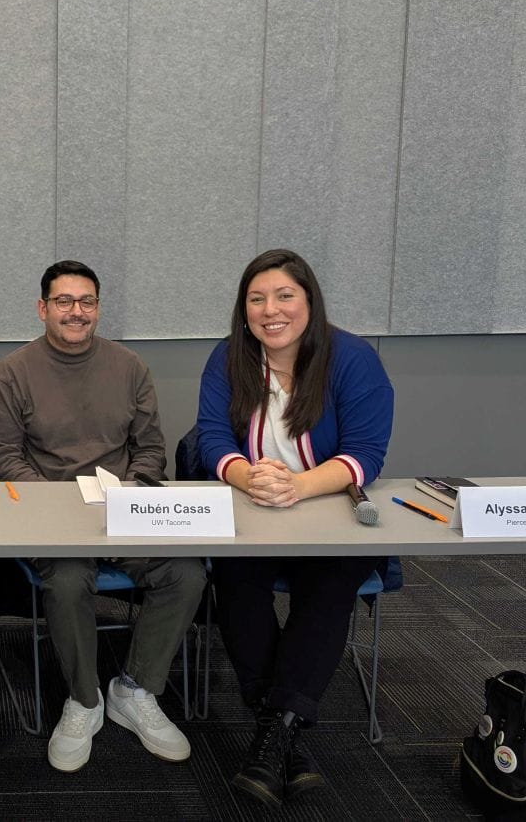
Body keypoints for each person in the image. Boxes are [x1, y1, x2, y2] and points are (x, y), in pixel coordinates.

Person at [0, 260, 207, 772]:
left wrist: (130, 491)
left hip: (122, 512)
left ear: (98, 309)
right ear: (43, 308)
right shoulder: (15, 371)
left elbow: (150, 449)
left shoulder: (129, 367)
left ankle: (135, 689)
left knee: (186, 573)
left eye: (86, 302)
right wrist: (53, 501)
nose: (76, 311)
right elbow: (1, 454)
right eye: (64, 301)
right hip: (52, 516)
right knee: (66, 582)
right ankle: (84, 700)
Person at [196, 248, 394, 806]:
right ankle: (284, 732)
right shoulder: (228, 357)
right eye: (257, 299)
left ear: (310, 301)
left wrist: (298, 486)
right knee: (235, 579)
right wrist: (248, 478)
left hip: (328, 510)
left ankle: (273, 731)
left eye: (285, 296)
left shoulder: (352, 359)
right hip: (252, 508)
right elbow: (211, 436)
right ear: (243, 309)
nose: (271, 310)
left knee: (330, 586)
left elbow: (366, 453)